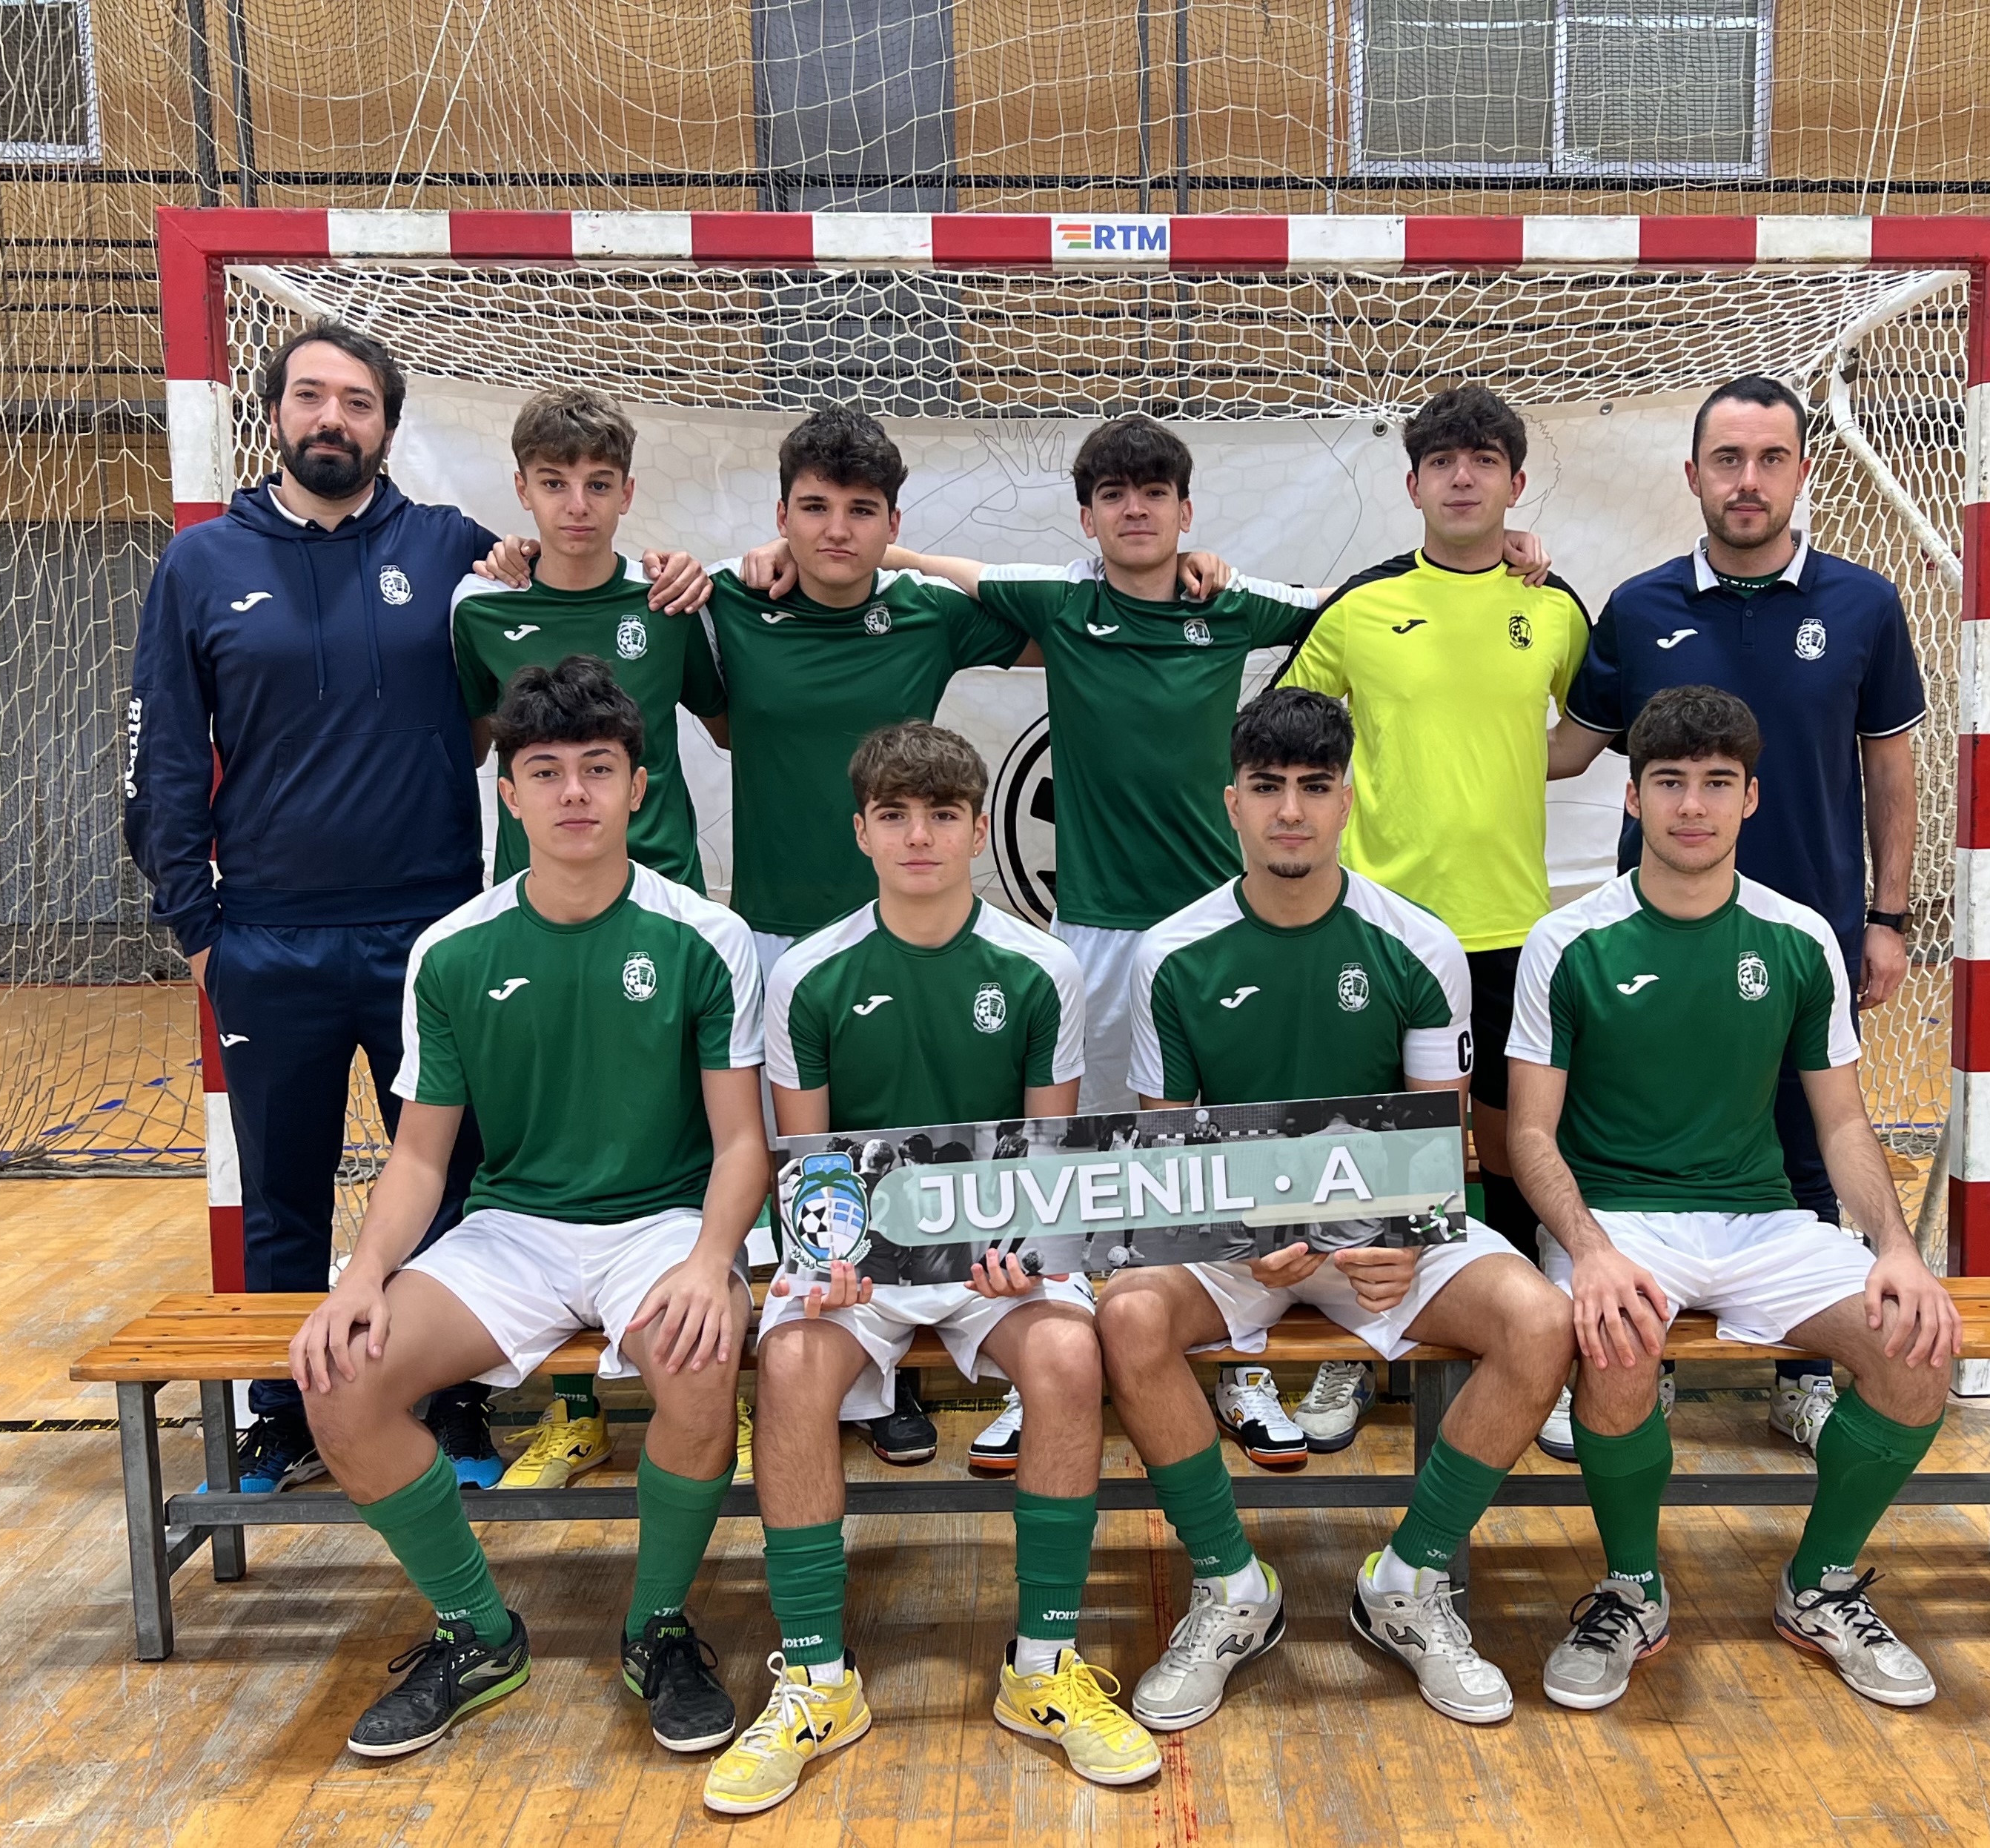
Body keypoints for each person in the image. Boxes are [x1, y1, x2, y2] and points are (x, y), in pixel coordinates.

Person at [767, 413, 1551, 1463]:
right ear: (1086, 516)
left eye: (1154, 494)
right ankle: (1046, 1368)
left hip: (1217, 929)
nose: (1134, 511)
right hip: (1094, 933)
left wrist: (1502, 553)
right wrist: (815, 550)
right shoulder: (1059, 600)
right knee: (1090, 1172)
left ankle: (1239, 1370)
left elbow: (1349, 600)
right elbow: (950, 571)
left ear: (1187, 511)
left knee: (1224, 1153)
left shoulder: (1229, 601)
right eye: (1113, 495)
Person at [288, 656, 769, 1758]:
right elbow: (421, 1159)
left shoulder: (706, 936)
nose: (574, 793)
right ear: (508, 795)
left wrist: (712, 1260)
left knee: (700, 1357)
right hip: (514, 1230)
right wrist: (358, 1279)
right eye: (545, 772)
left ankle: (657, 1628)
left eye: (598, 768)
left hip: (661, 1224)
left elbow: (743, 1142)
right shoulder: (452, 949)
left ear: (638, 786)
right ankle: (477, 1631)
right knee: (341, 1378)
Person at [1096, 688, 1573, 1735]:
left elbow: (1437, 1131)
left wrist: (1404, 1235)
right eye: (1267, 787)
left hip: (1384, 1226)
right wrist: (1240, 1237)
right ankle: (1233, 1586)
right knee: (1126, 1313)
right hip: (1240, 1236)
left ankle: (1408, 1580)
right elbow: (1169, 1153)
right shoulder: (1171, 953)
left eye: (1315, 787)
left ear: (1346, 801)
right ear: (1232, 802)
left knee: (1541, 1320)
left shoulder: (1418, 943)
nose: (1291, 811)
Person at [705, 721, 1157, 1815]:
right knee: (792, 1366)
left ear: (976, 831)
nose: (920, 836)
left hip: (990, 1256)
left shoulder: (1041, 966)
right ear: (862, 831)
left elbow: (1045, 1153)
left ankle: (1043, 1667)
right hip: (861, 1258)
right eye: (896, 815)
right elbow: (809, 1158)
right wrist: (827, 1257)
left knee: (1068, 1354)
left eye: (943, 815)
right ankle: (818, 1681)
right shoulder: (807, 973)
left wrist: (1029, 1255)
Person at [1508, 684, 1960, 1714]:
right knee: (1619, 1343)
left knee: (1917, 1346)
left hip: (1761, 1220)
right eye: (1669, 782)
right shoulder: (1568, 940)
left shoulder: (1797, 938)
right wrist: (1589, 1248)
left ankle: (1821, 1585)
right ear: (1633, 798)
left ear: (1751, 799)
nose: (1693, 806)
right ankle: (1632, 1591)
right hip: (1619, 1221)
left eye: (1718, 783)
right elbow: (1529, 1133)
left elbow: (1842, 1126)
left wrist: (1896, 1250)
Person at [127, 320, 523, 1492]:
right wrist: (197, 930)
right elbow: (161, 754)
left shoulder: (450, 547)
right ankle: (282, 1412)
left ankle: (450, 1399)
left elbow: (558, 608)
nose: (332, 419)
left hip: (430, 938)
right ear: (275, 413)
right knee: (283, 1195)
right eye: (311, 396)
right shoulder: (200, 563)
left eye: (357, 401)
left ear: (387, 425)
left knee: (451, 1181)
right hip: (266, 940)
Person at [1545, 375, 1928, 1456]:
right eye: (1728, 460)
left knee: (1808, 1149)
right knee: (1638, 1146)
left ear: (1802, 471)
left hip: (1809, 931)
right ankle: (1641, 1362)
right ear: (1694, 475)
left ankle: (1803, 1376)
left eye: (1769, 459)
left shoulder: (1865, 606)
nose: (1747, 481)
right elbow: (1565, 752)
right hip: (1654, 938)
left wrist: (1888, 917)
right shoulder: (1638, 607)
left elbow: (1891, 774)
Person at [683, 405, 1039, 1468]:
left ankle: (888, 1373)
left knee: (896, 1144)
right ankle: (812, 1374)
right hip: (772, 935)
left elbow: (1052, 614)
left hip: (907, 936)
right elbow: (714, 709)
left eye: (862, 511)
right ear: (781, 513)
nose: (836, 530)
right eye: (814, 509)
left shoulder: (928, 613)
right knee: (785, 1167)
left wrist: (911, 563)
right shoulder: (733, 602)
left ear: (892, 521)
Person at [449, 385, 730, 1492]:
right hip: (533, 919)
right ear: (522, 491)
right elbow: (480, 745)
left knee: (686, 1143)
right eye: (555, 483)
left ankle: (718, 1380)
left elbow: (724, 720)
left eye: (598, 484)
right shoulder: (483, 614)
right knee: (546, 1155)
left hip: (661, 911)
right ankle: (574, 1411)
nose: (577, 504)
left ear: (627, 491)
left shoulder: (670, 604)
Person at [1277, 384, 1591, 1295]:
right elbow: (1285, 738)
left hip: (1509, 924)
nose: (1463, 479)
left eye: (1484, 462)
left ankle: (1522, 1303)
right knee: (1384, 1133)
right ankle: (1366, 1324)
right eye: (1442, 463)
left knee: (1510, 1137)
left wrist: (1494, 761)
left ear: (1515, 484)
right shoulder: (1362, 605)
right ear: (1412, 485)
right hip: (1381, 925)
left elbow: (1583, 737)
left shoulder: (1555, 606)